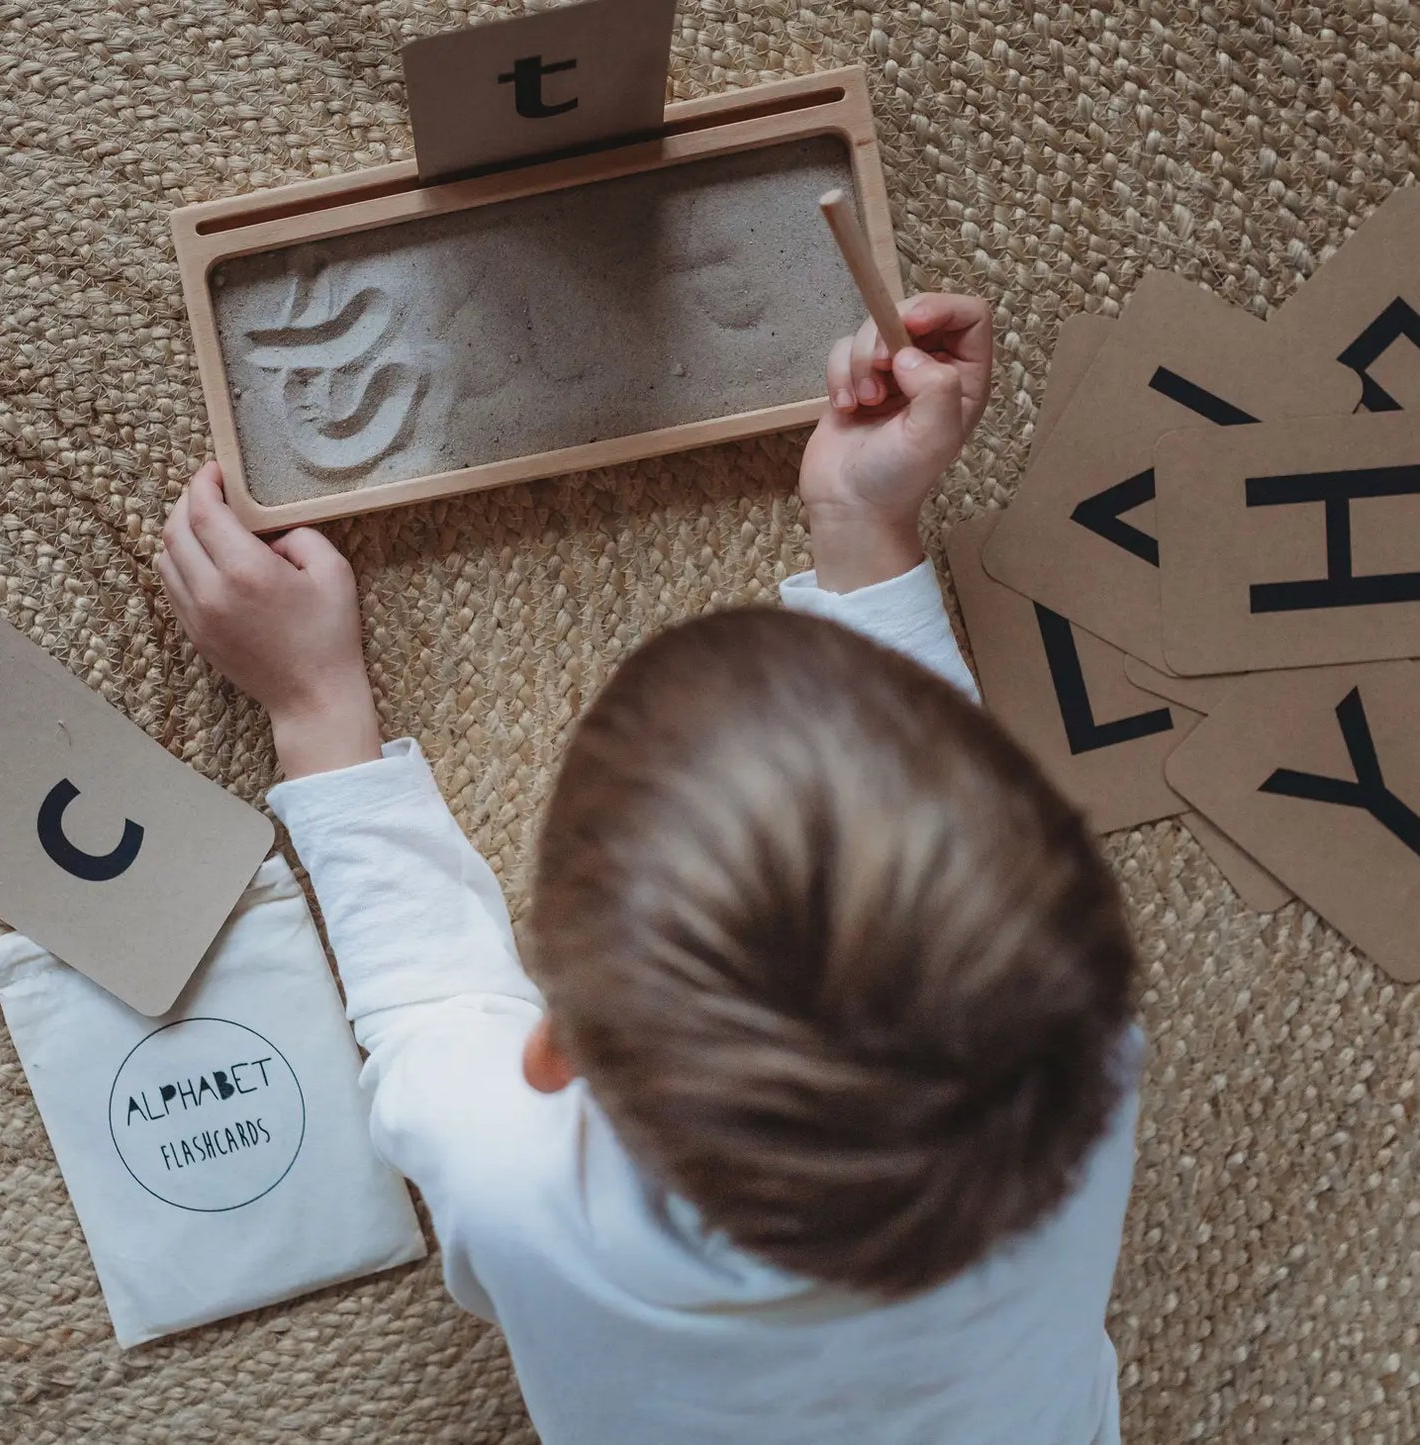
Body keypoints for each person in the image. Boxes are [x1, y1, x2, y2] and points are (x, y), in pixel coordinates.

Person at [159, 294, 1141, 1444]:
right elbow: (960, 859)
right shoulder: (1081, 1056)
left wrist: (312, 698)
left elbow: (427, 1000)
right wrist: (865, 529)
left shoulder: (521, 1188)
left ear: (551, 1046)